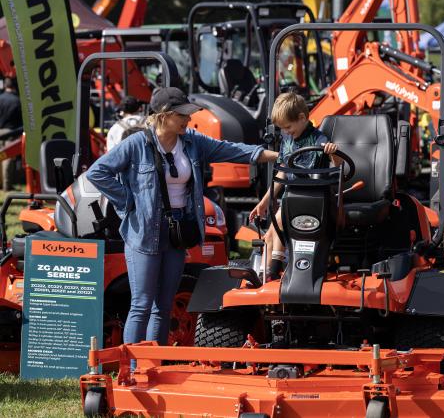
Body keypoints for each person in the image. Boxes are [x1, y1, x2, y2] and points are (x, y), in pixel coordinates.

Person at [87, 87, 278, 347]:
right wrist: (128, 202)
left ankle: (157, 365)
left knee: (164, 305)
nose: (188, 120)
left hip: (178, 231)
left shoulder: (192, 142)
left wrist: (273, 156)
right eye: (182, 115)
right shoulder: (136, 144)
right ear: (164, 116)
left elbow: (231, 150)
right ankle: (131, 369)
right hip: (144, 232)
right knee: (142, 304)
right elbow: (98, 172)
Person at [249, 92, 340, 278]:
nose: (286, 131)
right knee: (269, 234)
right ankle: (262, 276)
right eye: (282, 128)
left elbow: (338, 166)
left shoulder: (318, 139)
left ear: (302, 118)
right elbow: (282, 173)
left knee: (280, 220)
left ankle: (273, 269)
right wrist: (265, 201)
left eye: (288, 127)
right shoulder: (287, 141)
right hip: (291, 197)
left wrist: (333, 153)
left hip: (314, 198)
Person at [0, 78, 23, 191]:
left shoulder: (0, 98)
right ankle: (6, 185)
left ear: (5, 86)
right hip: (11, 132)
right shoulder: (17, 100)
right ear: (13, 87)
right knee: (6, 159)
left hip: (0, 131)